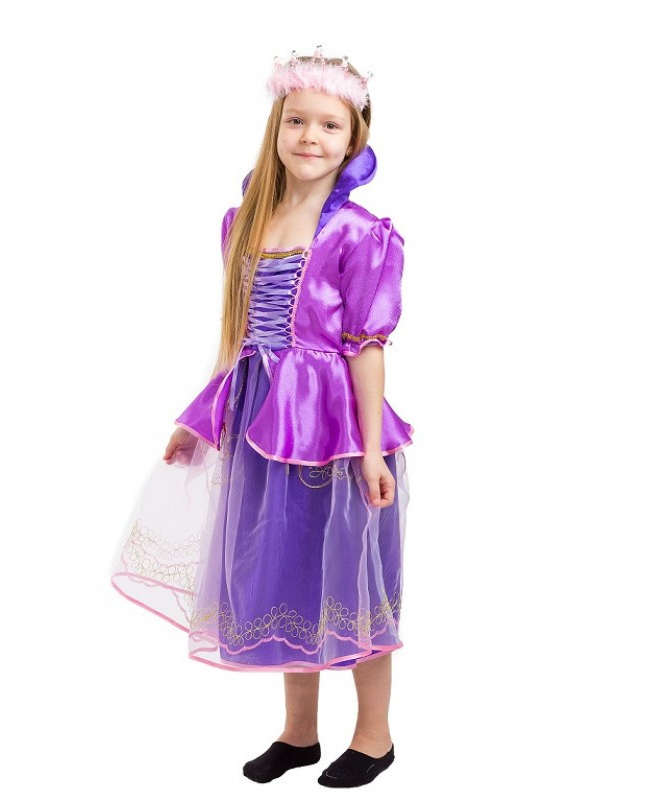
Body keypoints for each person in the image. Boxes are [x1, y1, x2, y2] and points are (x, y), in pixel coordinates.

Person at [110, 46, 414, 788]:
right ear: (276, 127)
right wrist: (199, 418)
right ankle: (299, 734)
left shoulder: (361, 234)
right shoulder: (243, 223)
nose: (311, 137)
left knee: (354, 585)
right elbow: (237, 337)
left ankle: (374, 737)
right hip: (259, 424)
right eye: (297, 121)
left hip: (335, 433)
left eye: (330, 126)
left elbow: (367, 347)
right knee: (285, 578)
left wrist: (372, 449)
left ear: (354, 139)